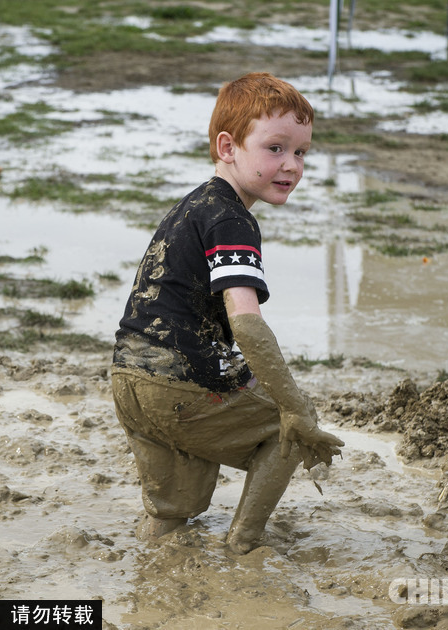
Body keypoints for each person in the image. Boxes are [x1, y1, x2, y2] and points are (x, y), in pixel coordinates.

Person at [111, 72, 344, 554]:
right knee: (294, 424)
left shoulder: (191, 206)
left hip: (128, 382)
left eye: (301, 153)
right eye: (276, 148)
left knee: (174, 513)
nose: (292, 166)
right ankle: (245, 544)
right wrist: (296, 406)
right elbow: (246, 321)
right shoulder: (233, 217)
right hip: (179, 382)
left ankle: (160, 560)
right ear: (228, 146)